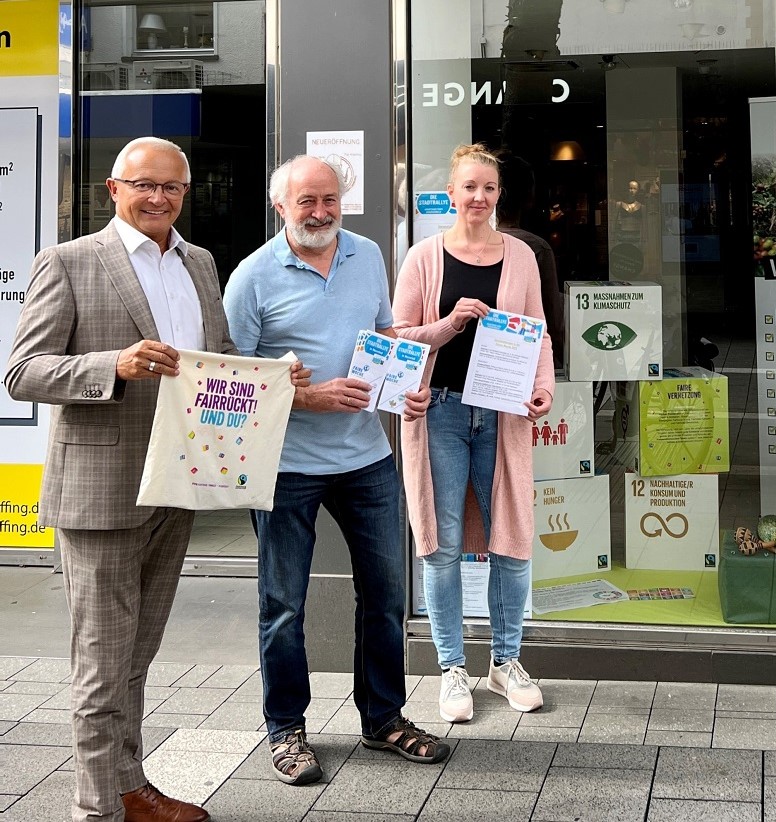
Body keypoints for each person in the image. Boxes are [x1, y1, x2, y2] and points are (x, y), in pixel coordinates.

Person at [4, 136, 305, 822]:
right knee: (101, 665)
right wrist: (114, 364)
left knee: (136, 656)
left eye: (171, 188)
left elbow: (217, 359)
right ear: (113, 189)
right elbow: (23, 373)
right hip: (102, 491)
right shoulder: (71, 262)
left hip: (178, 484)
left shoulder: (198, 262)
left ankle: (129, 786)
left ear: (184, 195)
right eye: (144, 185)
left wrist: (275, 379)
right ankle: (96, 808)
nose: (157, 198)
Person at [223, 155, 449, 785]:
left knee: (385, 597)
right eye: (306, 202)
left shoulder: (368, 254)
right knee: (284, 606)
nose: (320, 212)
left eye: (329, 199)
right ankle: (287, 731)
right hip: (286, 465)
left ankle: (383, 719)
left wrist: (405, 382)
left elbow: (384, 331)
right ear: (281, 207)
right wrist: (306, 395)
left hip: (366, 459)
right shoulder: (250, 279)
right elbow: (225, 381)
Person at [392, 143, 554, 723]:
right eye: (469, 188)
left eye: (489, 188)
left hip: (503, 414)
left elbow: (537, 332)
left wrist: (543, 389)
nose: (479, 198)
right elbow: (398, 338)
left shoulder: (523, 257)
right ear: (452, 194)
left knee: (511, 541)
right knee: (442, 546)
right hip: (439, 410)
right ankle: (452, 668)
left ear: (498, 194)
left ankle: (505, 661)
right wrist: (450, 323)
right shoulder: (423, 258)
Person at [494, 150, 565, 368]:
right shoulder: (535, 248)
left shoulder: (453, 246)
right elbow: (550, 322)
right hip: (522, 365)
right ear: (529, 195)